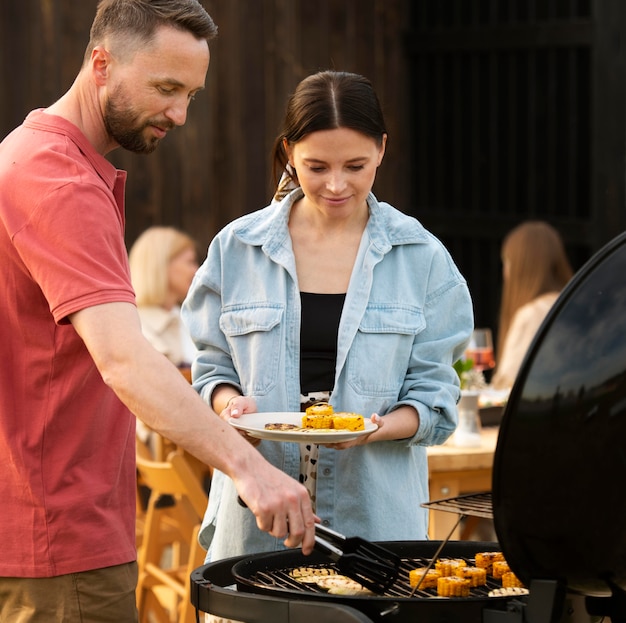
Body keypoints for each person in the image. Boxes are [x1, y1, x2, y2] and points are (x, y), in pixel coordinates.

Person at [0, 1, 315, 621]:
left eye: (192, 94)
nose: (179, 113)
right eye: (166, 88)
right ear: (101, 64)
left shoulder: (23, 153)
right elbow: (123, 360)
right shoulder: (59, 181)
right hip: (59, 536)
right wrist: (251, 470)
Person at [181, 70, 474, 565]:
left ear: (382, 149)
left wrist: (374, 428)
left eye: (356, 165)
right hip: (256, 510)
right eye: (316, 167)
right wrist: (232, 406)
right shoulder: (237, 248)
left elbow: (435, 398)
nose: (337, 185)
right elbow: (212, 370)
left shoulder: (421, 256)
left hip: (375, 519)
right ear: (289, 153)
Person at [491, 221, 573, 390]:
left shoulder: (530, 315)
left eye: (507, 262)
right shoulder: (571, 304)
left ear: (522, 267)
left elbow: (507, 388)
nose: (505, 273)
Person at [129, 226, 199, 369]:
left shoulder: (190, 320)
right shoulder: (133, 325)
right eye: (190, 262)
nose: (196, 271)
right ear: (161, 264)